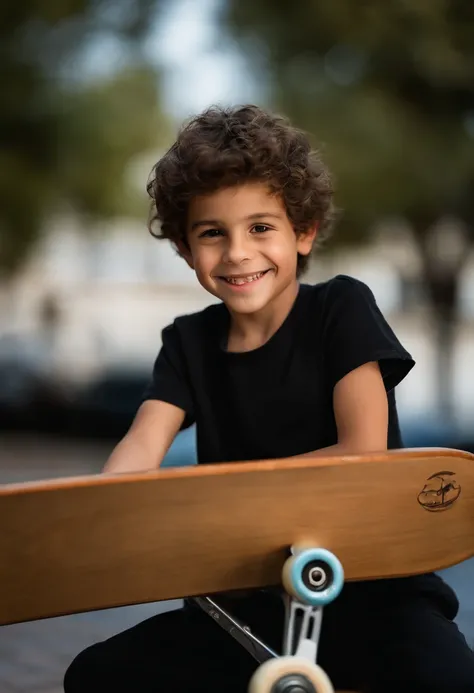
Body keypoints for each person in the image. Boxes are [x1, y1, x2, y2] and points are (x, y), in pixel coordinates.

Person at [63, 105, 474, 692]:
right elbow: (139, 447)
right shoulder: (188, 344)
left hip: (375, 595)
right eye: (212, 233)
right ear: (185, 248)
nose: (237, 253)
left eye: (261, 227)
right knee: (99, 674)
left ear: (302, 232)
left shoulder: (341, 309)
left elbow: (362, 453)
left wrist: (217, 504)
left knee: (449, 679)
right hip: (241, 610)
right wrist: (98, 510)